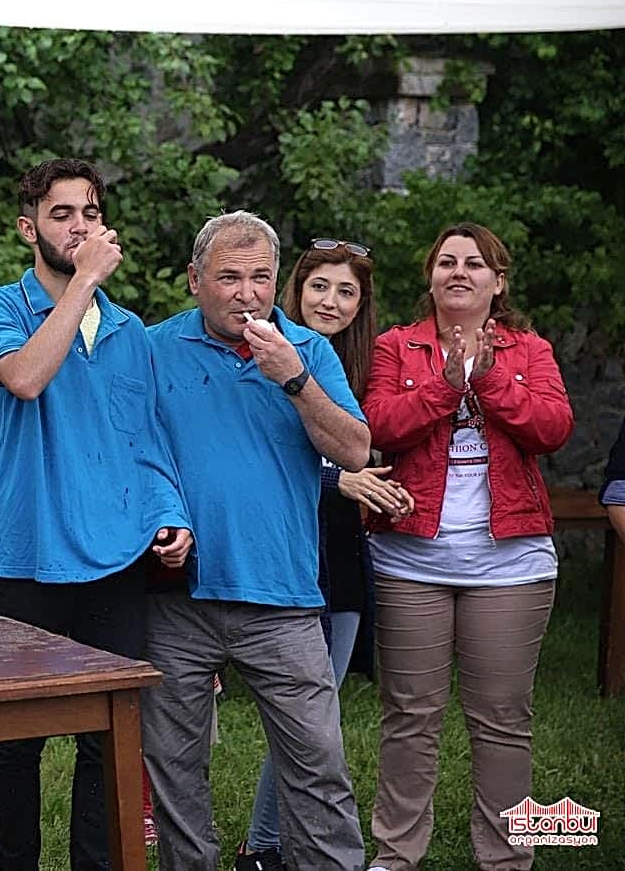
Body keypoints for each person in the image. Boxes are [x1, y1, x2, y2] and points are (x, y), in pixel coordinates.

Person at [0, 158, 192, 870]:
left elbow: (145, 440)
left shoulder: (129, 331)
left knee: (107, 735)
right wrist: (85, 283)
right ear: (27, 228)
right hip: (31, 553)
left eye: (90, 213)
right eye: (61, 214)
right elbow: (26, 378)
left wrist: (171, 514)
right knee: (20, 736)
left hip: (119, 555)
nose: (79, 226)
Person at [145, 211, 369, 871]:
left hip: (283, 596)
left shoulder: (309, 350)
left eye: (261, 278)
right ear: (194, 280)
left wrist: (294, 378)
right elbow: (131, 454)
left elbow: (355, 451)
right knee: (175, 774)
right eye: (229, 278)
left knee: (318, 769)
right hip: (177, 599)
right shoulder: (153, 349)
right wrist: (162, 521)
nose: (247, 294)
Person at [363, 222, 573, 871]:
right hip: (409, 561)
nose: (459, 271)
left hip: (511, 564)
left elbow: (553, 428)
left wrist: (488, 379)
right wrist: (446, 384)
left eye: (474, 263)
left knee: (504, 719)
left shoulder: (530, 349)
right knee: (409, 716)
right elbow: (378, 425)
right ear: (430, 277)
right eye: (446, 261)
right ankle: (395, 855)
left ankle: (508, 858)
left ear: (497, 282)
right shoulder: (396, 346)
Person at [236, 238, 415, 871]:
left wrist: (367, 483)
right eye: (319, 286)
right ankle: (263, 847)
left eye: (346, 292)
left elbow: (364, 448)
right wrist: (339, 480)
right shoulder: (260, 353)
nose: (330, 301)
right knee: (300, 717)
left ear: (362, 305)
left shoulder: (361, 369)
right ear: (295, 289)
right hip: (277, 549)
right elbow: (254, 459)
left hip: (338, 551)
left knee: (317, 713)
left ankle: (275, 843)